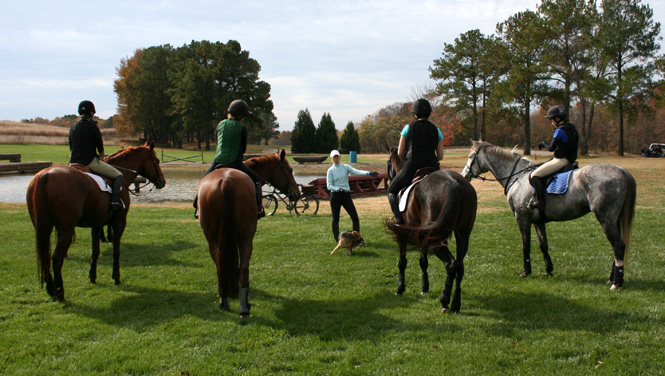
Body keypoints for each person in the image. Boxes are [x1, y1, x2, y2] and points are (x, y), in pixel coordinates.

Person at [195, 99, 265, 218]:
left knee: (202, 181)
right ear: (242, 115)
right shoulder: (241, 128)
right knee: (256, 180)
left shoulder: (220, 124)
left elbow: (218, 141)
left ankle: (197, 207)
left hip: (218, 160)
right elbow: (242, 148)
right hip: (235, 162)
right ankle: (258, 208)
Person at [387, 98, 444, 224]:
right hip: (433, 168)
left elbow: (400, 153)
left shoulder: (408, 128)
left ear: (415, 114)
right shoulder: (437, 130)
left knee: (391, 190)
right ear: (429, 113)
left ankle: (398, 220)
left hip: (412, 167)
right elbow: (440, 156)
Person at [69, 100, 124, 210]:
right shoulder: (92, 126)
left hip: (73, 162)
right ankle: (114, 201)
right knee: (118, 175)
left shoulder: (73, 127)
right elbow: (100, 145)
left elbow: (71, 145)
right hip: (89, 162)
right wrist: (101, 158)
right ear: (91, 113)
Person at [528, 105, 579, 212]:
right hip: (571, 159)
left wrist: (543, 143)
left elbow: (551, 148)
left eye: (552, 120)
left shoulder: (559, 131)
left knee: (534, 175)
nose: (552, 123)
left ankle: (540, 202)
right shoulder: (572, 128)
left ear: (557, 119)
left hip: (561, 161)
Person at [327, 149, 379, 242]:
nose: (336, 158)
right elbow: (329, 186)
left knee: (355, 217)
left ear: (340, 157)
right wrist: (338, 189)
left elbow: (356, 172)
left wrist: (369, 173)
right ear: (331, 158)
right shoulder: (330, 171)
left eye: (337, 156)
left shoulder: (345, 167)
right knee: (336, 218)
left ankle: (357, 237)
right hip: (336, 196)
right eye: (334, 157)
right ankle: (337, 240)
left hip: (346, 196)